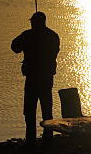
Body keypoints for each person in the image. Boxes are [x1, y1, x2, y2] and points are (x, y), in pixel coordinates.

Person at [11, 11, 60, 146]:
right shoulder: (53, 36)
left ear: (35, 22)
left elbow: (14, 47)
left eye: (32, 21)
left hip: (32, 78)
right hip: (46, 78)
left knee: (30, 111)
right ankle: (48, 139)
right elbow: (54, 52)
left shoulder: (27, 35)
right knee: (47, 110)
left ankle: (31, 139)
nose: (31, 23)